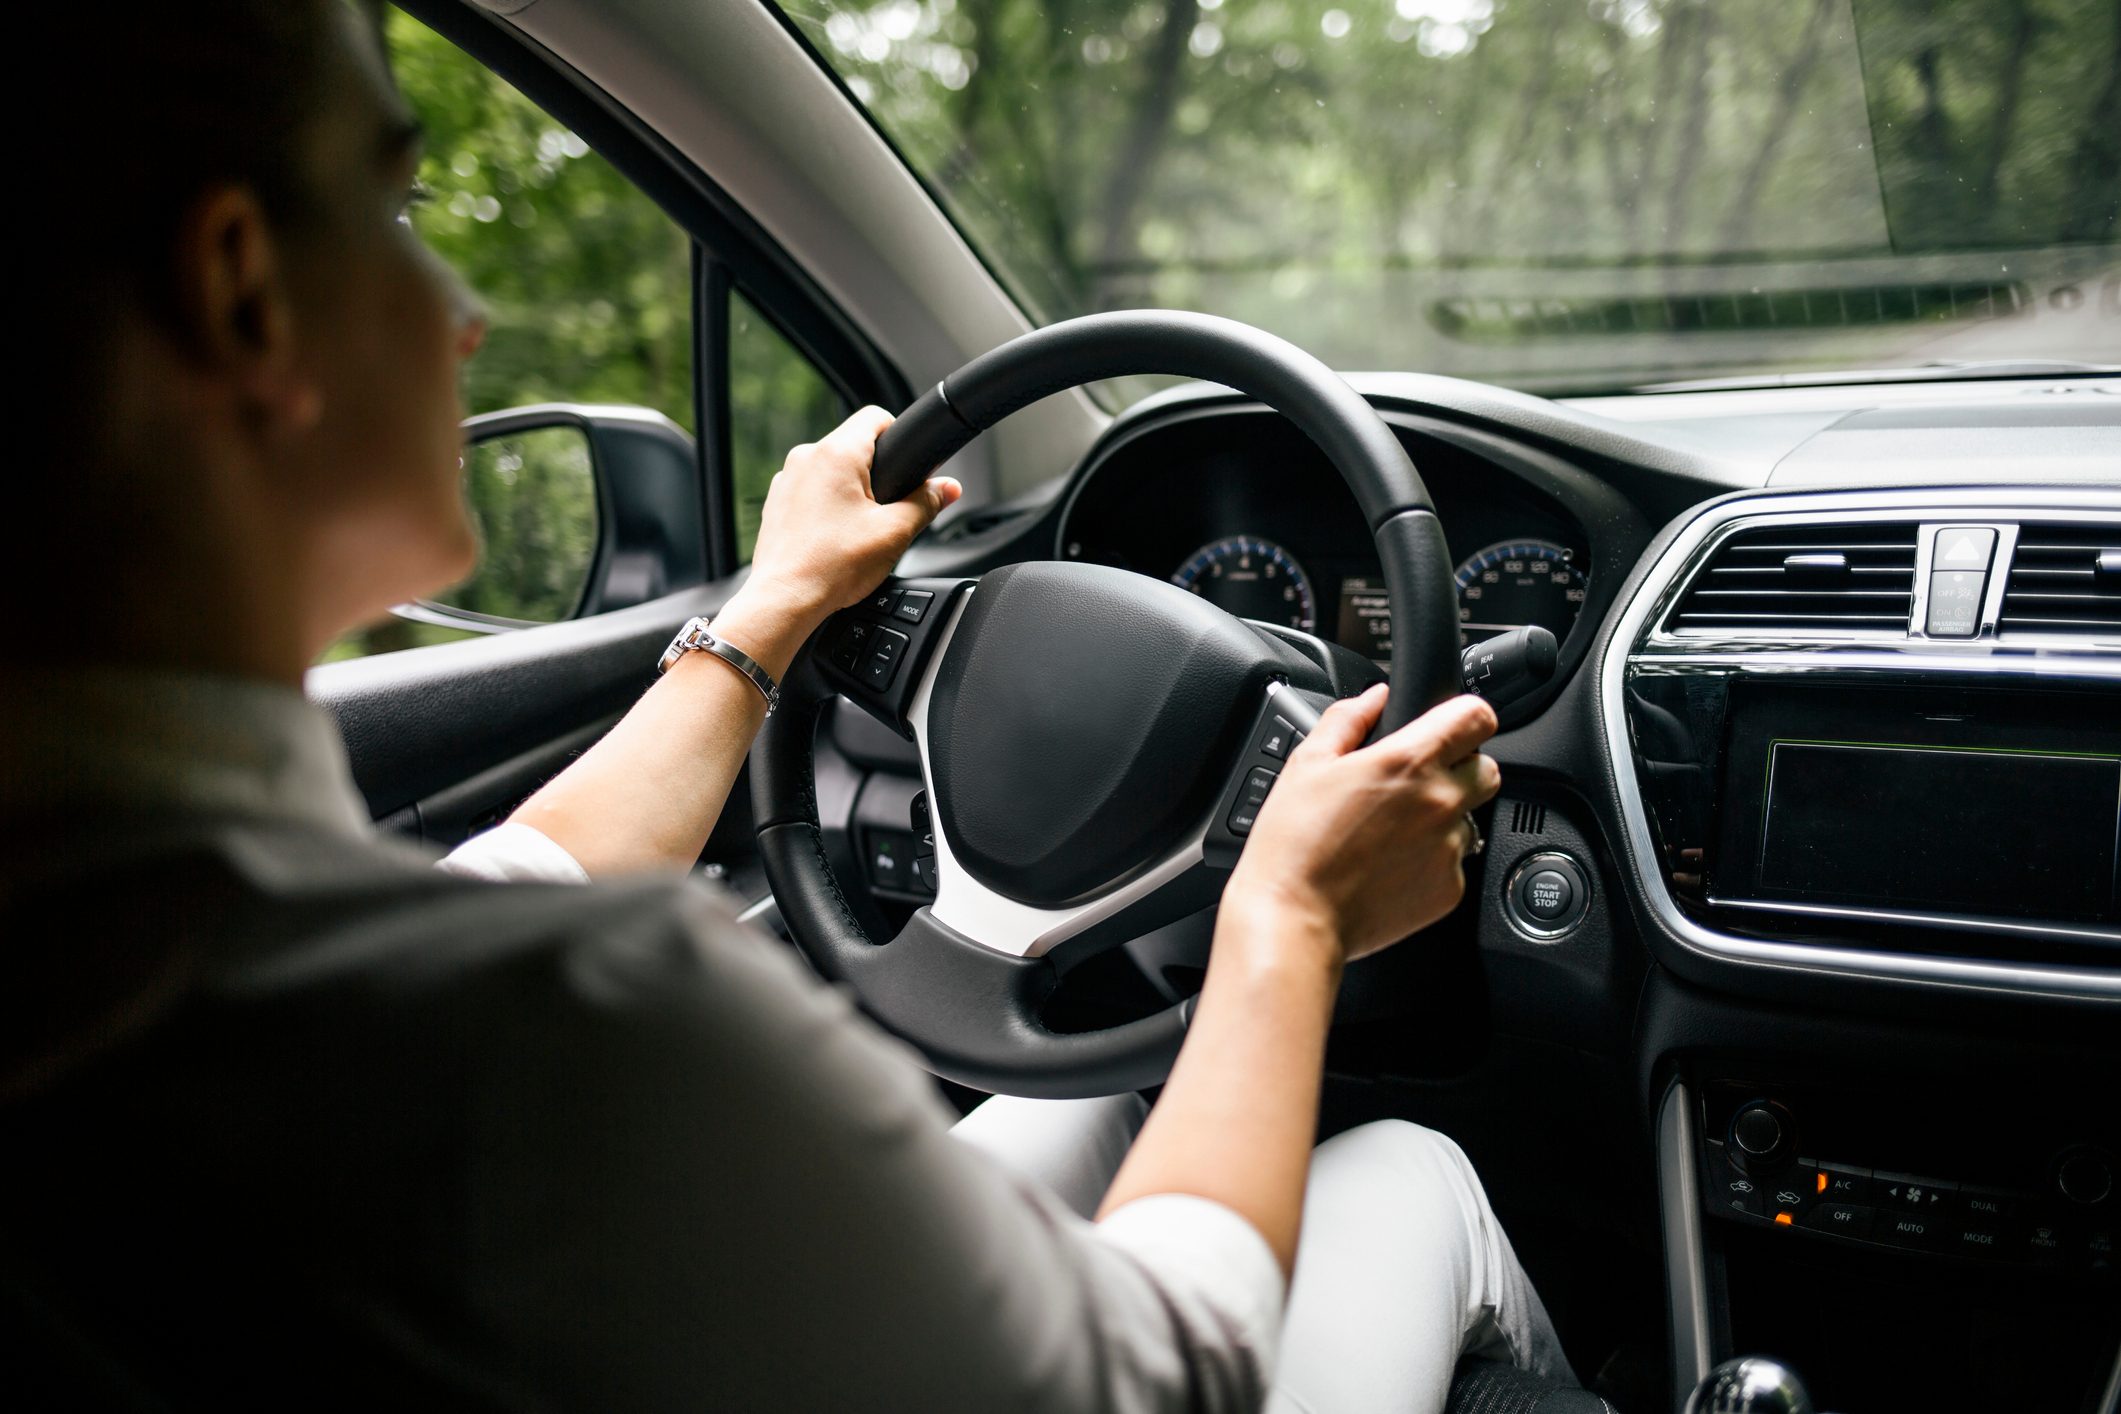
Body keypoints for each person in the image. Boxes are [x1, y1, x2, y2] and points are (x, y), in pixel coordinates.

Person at [2, 4, 1573, 1410]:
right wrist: (1287, 912)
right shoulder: (559, 1039)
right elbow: (1165, 1375)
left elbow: (523, 877)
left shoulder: (157, 964)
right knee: (1402, 1173)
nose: (461, 312)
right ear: (242, 292)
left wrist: (774, 606)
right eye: (400, 208)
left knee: (1088, 1097)